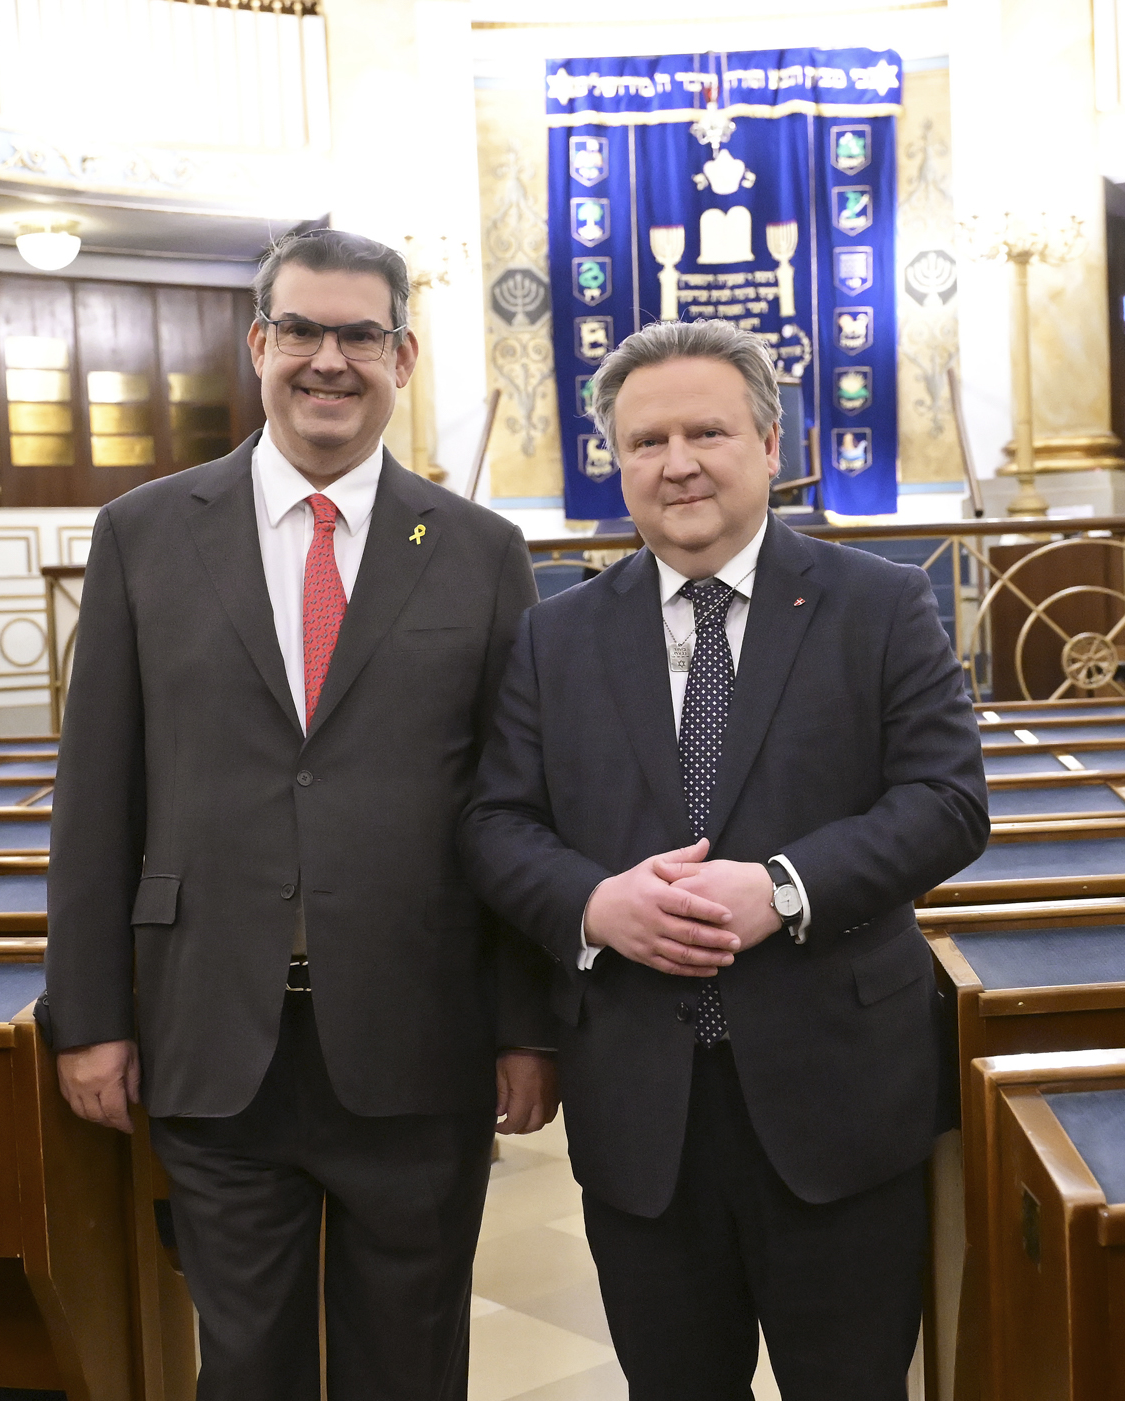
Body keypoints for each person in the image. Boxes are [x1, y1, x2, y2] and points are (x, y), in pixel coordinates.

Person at [44, 226, 557, 1401]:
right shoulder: (144, 534)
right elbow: (97, 798)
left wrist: (529, 1026)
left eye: (360, 336)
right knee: (246, 1364)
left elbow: (517, 804)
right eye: (304, 333)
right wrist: (88, 1017)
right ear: (259, 345)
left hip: (418, 1038)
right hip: (211, 1031)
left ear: (403, 356)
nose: (330, 360)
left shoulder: (477, 552)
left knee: (410, 1361)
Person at [462, 318, 988, 1399]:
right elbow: (494, 826)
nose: (677, 463)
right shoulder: (553, 637)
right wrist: (596, 903)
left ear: (766, 442)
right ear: (617, 463)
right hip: (639, 1111)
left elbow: (946, 802)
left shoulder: (877, 604)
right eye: (645, 441)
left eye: (705, 431)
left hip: (838, 1099)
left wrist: (782, 890)